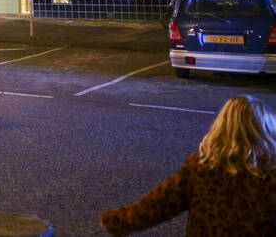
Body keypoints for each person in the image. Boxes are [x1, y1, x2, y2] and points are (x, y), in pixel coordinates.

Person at [99, 95, 276, 236]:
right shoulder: (270, 173)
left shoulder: (201, 167)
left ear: (220, 128)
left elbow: (159, 204)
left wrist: (118, 221)